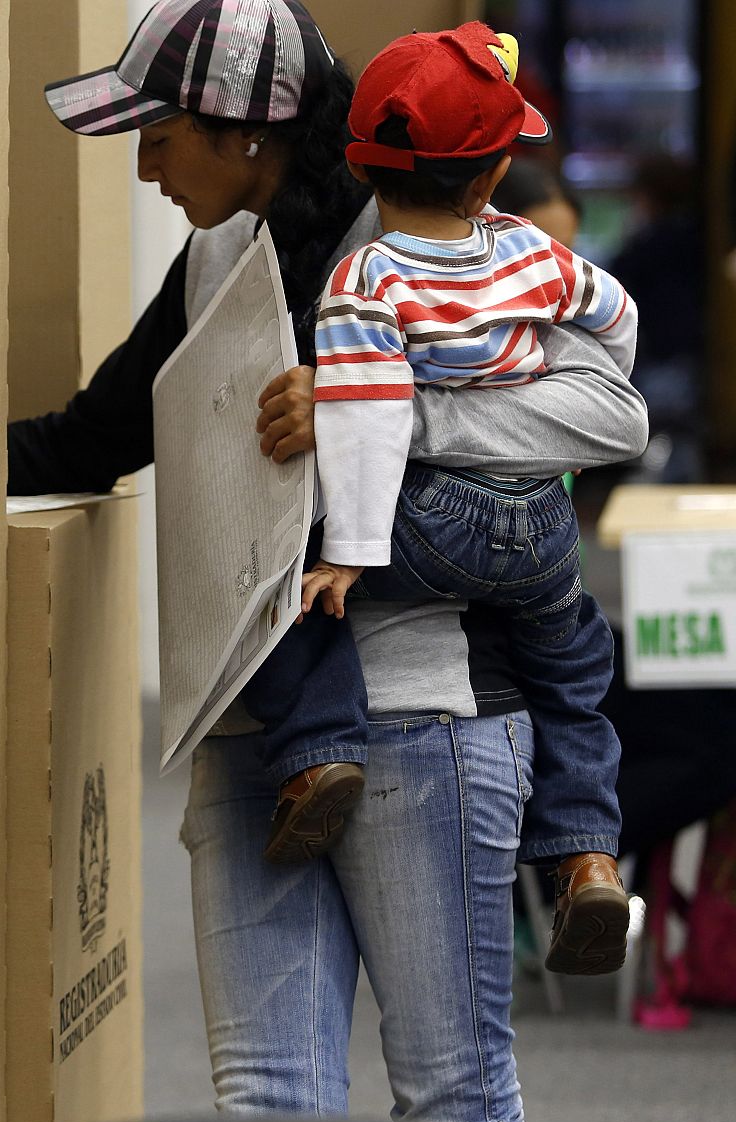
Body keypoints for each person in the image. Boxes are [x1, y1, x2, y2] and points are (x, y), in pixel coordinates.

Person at [13, 0, 647, 1119]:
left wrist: (386, 405)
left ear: (243, 134)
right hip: (256, 720)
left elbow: (604, 410)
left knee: (449, 1088)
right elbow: (97, 434)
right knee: (267, 1097)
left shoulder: (425, 232)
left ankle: (581, 844)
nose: (145, 165)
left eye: (158, 135)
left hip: (426, 723)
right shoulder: (219, 258)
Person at [235, 24, 636, 980]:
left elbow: (372, 425)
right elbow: (615, 322)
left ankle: (317, 754)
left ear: (365, 171)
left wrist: (352, 552)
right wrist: (563, 363)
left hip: (433, 525)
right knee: (574, 659)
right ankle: (586, 853)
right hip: (539, 526)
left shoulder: (364, 277)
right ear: (492, 179)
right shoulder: (532, 252)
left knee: (289, 583)